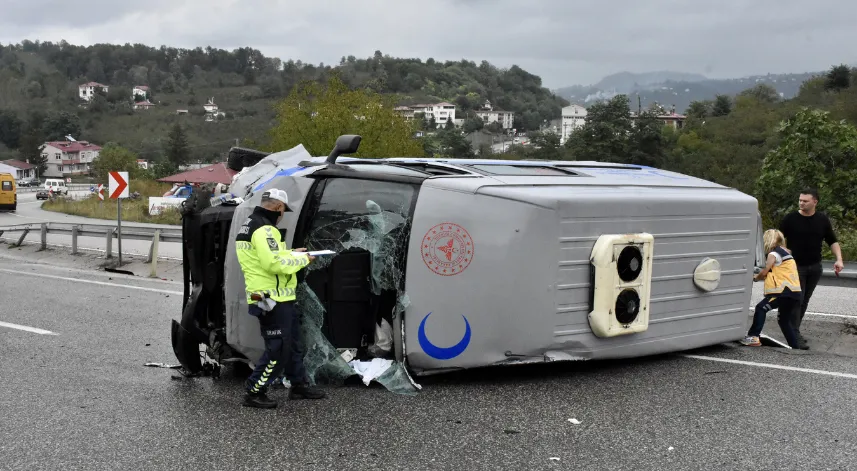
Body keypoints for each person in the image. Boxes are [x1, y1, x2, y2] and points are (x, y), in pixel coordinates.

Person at [235, 188, 326, 408]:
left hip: (272, 297)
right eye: (283, 210)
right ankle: (254, 391)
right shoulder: (265, 230)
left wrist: (293, 253)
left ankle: (298, 384)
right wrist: (303, 260)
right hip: (270, 298)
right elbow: (273, 264)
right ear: (278, 207)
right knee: (278, 347)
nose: (282, 214)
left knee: (292, 342)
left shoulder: (251, 225)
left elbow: (270, 257)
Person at [778, 188, 844, 333]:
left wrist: (839, 259)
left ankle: (793, 328)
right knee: (797, 301)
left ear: (815, 202)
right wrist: (783, 250)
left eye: (805, 201)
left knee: (804, 301)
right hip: (795, 266)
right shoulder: (790, 219)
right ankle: (794, 334)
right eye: (800, 200)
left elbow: (832, 241)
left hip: (814, 267)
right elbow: (777, 239)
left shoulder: (822, 220)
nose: (801, 203)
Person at [741, 229, 806, 349]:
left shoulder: (773, 254)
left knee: (761, 308)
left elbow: (765, 271)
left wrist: (755, 278)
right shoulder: (786, 254)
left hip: (782, 292)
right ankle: (795, 347)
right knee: (784, 321)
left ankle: (753, 336)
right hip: (794, 293)